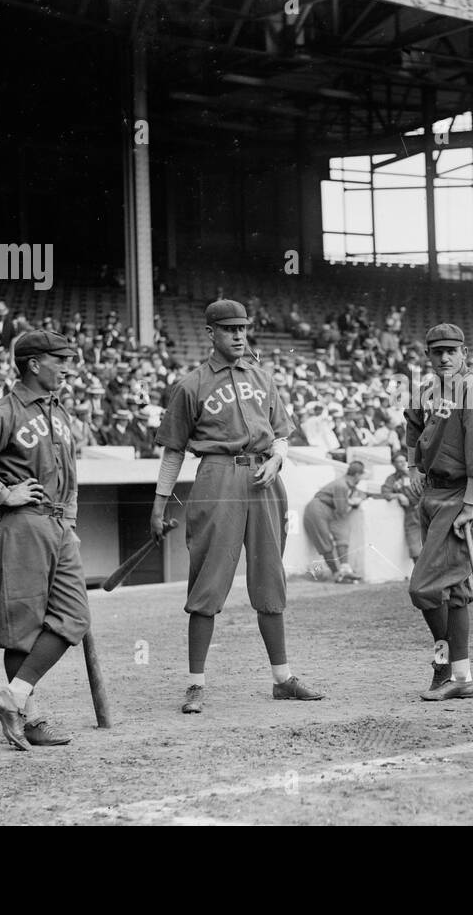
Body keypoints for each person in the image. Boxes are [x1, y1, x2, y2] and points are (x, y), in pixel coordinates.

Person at [149, 299, 324, 715]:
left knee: (269, 578)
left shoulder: (263, 377)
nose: (240, 335)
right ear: (211, 333)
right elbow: (173, 452)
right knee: (207, 582)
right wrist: (158, 506)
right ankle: (195, 684)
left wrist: (278, 459)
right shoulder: (191, 385)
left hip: (264, 477)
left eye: (244, 328)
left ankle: (282, 679)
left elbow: (281, 434)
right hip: (217, 477)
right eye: (230, 329)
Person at [0, 330, 86, 750]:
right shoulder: (1, 412)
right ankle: (27, 721)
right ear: (33, 364)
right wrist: (3, 494)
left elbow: (71, 473)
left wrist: (71, 520)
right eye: (59, 360)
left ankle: (15, 697)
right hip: (19, 523)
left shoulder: (58, 412)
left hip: (58, 525)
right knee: (22, 628)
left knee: (74, 616)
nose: (67, 368)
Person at [403, 322, 473, 702]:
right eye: (437, 351)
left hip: (463, 496)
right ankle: (460, 676)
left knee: (422, 588)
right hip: (432, 491)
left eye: (451, 351)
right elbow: (412, 428)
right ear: (428, 354)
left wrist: (470, 506)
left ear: (463, 353)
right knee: (455, 592)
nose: (444, 358)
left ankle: (445, 666)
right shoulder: (425, 389)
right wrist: (412, 468)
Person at [303, 461, 368, 583]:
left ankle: (345, 570)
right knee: (325, 542)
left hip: (329, 510)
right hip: (317, 509)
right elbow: (342, 510)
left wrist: (358, 498)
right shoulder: (341, 485)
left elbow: (356, 495)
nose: (361, 478)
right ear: (357, 475)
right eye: (361, 475)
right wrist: (354, 502)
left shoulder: (348, 485)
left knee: (342, 534)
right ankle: (337, 574)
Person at [381, 451, 422, 562]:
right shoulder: (392, 479)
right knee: (413, 543)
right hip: (411, 513)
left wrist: (407, 473)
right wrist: (398, 495)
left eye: (403, 461)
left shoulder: (416, 473)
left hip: (425, 510)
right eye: (398, 462)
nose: (402, 464)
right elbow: (385, 493)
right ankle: (418, 574)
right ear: (393, 464)